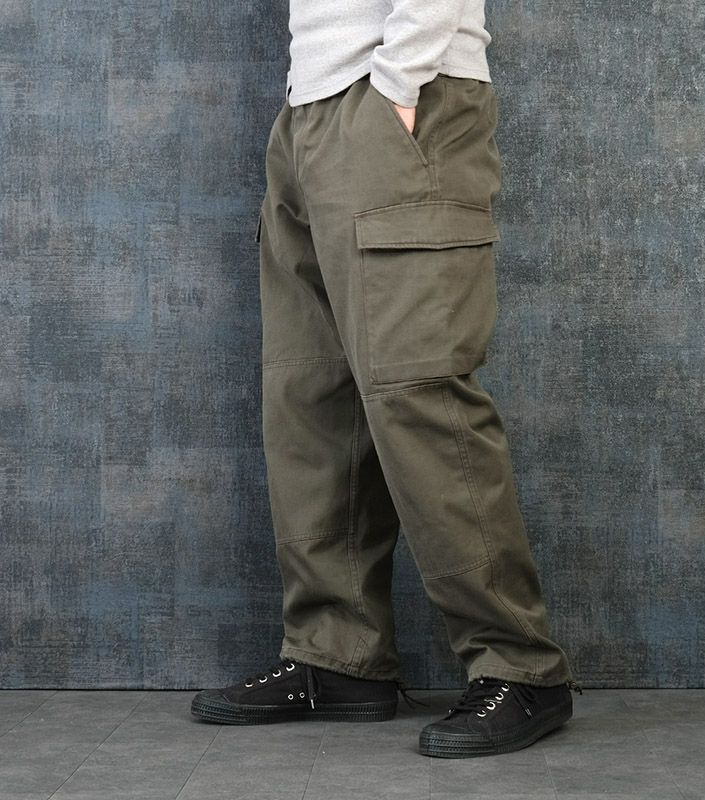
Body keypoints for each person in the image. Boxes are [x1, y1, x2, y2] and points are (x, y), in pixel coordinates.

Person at [191, 0, 582, 758]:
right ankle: (337, 655)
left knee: (419, 394)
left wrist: (398, 86)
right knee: (312, 398)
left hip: (403, 97)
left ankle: (520, 666)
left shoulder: (400, 90)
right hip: (311, 108)